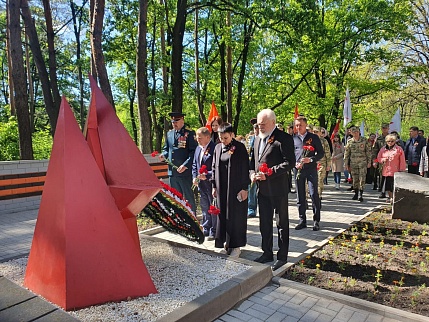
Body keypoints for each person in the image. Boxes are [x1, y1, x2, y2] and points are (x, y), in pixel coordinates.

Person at [250, 109, 295, 271]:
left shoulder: (284, 139)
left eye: (263, 124)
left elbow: (289, 162)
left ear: (273, 123)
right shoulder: (256, 139)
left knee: (281, 223)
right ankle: (266, 252)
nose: (260, 127)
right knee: (264, 222)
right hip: (262, 189)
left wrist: (269, 173)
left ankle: (282, 256)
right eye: (258, 124)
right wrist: (252, 174)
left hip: (278, 188)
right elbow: (252, 162)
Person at [211, 123, 249, 258]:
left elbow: (245, 169)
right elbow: (214, 167)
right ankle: (225, 243)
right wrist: (213, 186)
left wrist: (245, 188)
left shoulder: (239, 147)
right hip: (221, 188)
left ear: (232, 135)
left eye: (225, 138)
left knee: (235, 216)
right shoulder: (217, 148)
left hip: (235, 188)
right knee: (223, 217)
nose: (223, 141)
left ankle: (236, 246)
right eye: (221, 138)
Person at [160, 112, 197, 213]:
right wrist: (163, 155)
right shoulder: (170, 133)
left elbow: (193, 152)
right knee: (176, 198)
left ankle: (192, 217)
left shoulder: (189, 133)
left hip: (184, 172)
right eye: (172, 121)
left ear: (182, 121)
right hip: (173, 172)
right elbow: (166, 149)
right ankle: (181, 219)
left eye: (176, 121)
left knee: (188, 197)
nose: (174, 123)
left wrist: (185, 165)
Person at [293, 116, 324, 231]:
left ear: (305, 125)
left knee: (313, 193)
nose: (298, 127)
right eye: (296, 125)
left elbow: (321, 153)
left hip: (311, 169)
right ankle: (302, 220)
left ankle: (316, 221)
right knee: (300, 195)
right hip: (298, 170)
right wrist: (295, 164)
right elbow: (290, 155)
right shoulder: (293, 138)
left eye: (300, 125)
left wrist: (311, 159)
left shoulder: (313, 137)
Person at [192, 127, 216, 240]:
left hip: (212, 184)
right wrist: (194, 177)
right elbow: (194, 165)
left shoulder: (215, 148)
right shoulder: (198, 149)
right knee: (204, 206)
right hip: (201, 184)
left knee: (213, 206)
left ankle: (214, 230)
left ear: (208, 137)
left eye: (200, 137)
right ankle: (206, 227)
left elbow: (217, 168)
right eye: (197, 137)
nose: (198, 140)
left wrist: (208, 175)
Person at [376, 134, 406, 204]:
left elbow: (402, 160)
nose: (390, 143)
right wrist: (382, 159)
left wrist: (402, 169)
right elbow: (378, 158)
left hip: (395, 171)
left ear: (395, 141)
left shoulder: (399, 149)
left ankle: (395, 198)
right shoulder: (383, 149)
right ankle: (390, 197)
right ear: (386, 141)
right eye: (388, 141)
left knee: (394, 186)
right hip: (386, 171)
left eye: (392, 141)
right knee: (388, 186)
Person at [344, 127, 371, 202]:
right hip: (353, 163)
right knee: (355, 178)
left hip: (362, 162)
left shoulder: (364, 140)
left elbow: (368, 152)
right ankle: (356, 192)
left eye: (357, 132)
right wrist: (346, 164)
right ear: (351, 133)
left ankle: (361, 194)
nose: (355, 133)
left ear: (359, 132)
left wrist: (369, 162)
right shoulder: (350, 142)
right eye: (354, 132)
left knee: (362, 178)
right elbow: (347, 154)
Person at [313, 126, 331, 199]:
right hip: (312, 164)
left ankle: (319, 195)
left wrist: (328, 165)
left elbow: (328, 153)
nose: (315, 133)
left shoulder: (324, 141)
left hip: (321, 163)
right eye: (314, 132)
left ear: (320, 133)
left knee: (320, 179)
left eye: (317, 132)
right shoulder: (310, 140)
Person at [247, 118, 259, 218]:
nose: (256, 129)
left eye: (257, 127)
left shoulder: (266, 138)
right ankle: (251, 208)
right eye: (255, 127)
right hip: (251, 166)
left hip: (261, 166)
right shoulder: (250, 139)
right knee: (251, 187)